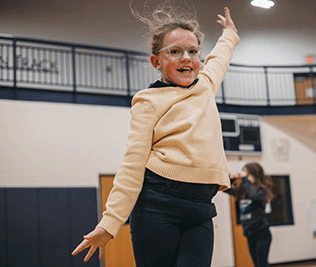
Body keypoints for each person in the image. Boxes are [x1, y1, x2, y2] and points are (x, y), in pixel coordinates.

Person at [71, 2, 239, 267]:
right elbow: (133, 163)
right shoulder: (148, 101)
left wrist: (229, 34)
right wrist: (110, 222)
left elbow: (220, 58)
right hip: (158, 204)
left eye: (193, 51)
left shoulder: (205, 86)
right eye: (175, 51)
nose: (186, 57)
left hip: (201, 207)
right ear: (156, 61)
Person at [225, 162, 275, 267]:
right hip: (249, 233)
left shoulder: (261, 191)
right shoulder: (242, 191)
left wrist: (245, 180)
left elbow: (253, 195)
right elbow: (225, 188)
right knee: (256, 264)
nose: (246, 177)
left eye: (248, 174)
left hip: (262, 233)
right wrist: (231, 177)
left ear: (255, 176)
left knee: (262, 264)